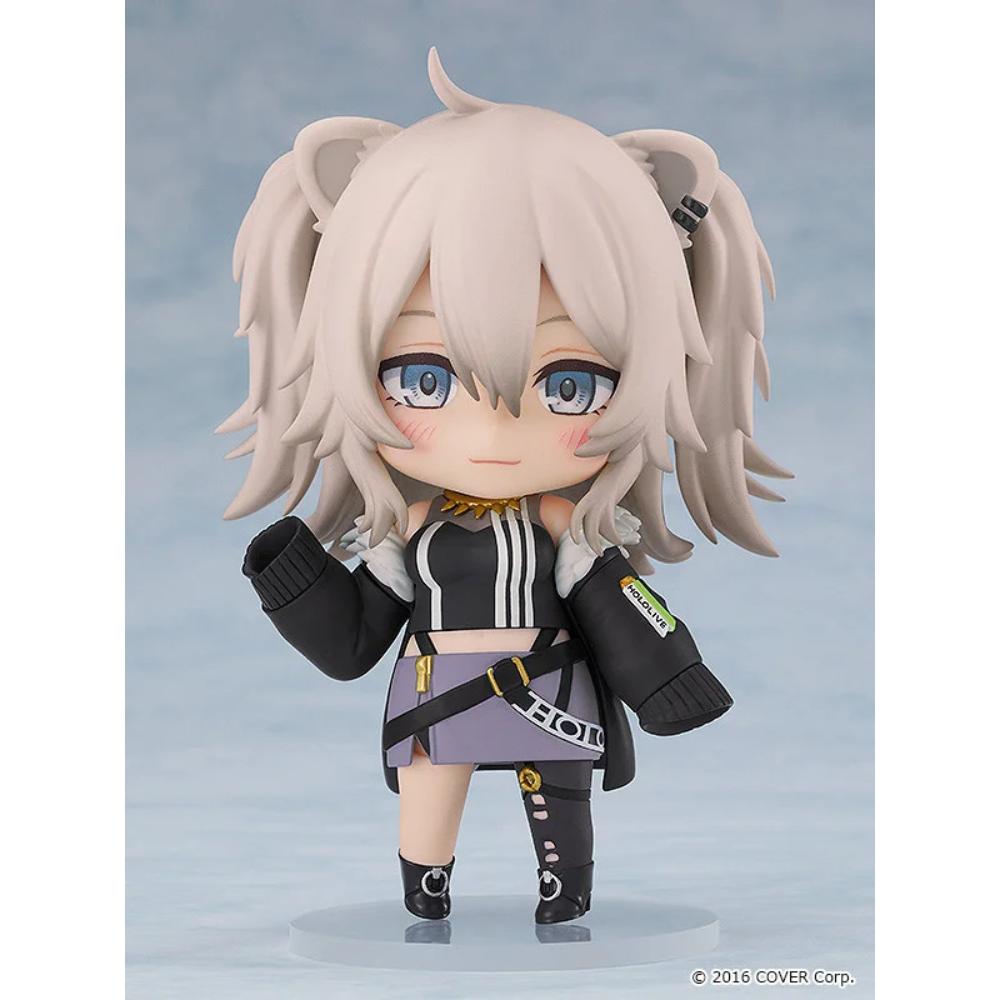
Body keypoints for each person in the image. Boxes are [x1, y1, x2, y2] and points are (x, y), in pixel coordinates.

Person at [222, 48, 790, 925]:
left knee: (558, 800)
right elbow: (354, 641)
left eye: (570, 384)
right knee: (430, 787)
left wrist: (670, 679)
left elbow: (619, 605)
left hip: (549, 689)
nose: (492, 434)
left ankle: (565, 892)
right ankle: (426, 888)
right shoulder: (411, 527)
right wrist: (295, 578)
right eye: (423, 378)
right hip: (434, 689)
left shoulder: (563, 523)